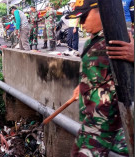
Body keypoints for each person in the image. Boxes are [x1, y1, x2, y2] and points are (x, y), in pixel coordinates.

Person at [66, 0, 131, 156]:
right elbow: (94, 73)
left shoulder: (123, 37)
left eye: (84, 18)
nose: (81, 25)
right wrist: (82, 85)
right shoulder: (91, 42)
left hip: (111, 128)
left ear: (100, 10)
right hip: (92, 123)